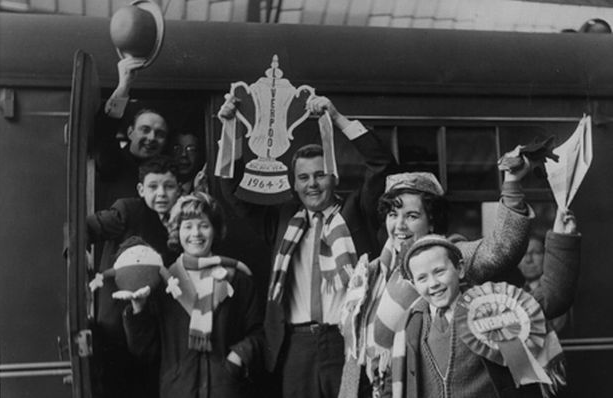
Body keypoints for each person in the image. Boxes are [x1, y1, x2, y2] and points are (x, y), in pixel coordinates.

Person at [218, 95, 395, 398]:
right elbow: (233, 191)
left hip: (348, 344)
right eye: (303, 177)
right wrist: (231, 130)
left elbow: (382, 164)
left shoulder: (356, 212)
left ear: (333, 177)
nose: (312, 184)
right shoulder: (283, 220)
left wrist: (338, 118)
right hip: (296, 347)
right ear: (294, 184)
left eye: (319, 175)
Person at [339, 165, 534, 398]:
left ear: (431, 222)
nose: (399, 225)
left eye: (411, 216)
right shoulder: (371, 271)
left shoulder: (449, 255)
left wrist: (511, 182)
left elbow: (503, 246)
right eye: (393, 214)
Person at [383, 207, 580, 398]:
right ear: (414, 284)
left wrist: (563, 239)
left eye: (439, 271)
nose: (433, 284)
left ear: (459, 269)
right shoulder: (409, 325)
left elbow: (554, 297)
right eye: (422, 278)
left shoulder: (492, 307)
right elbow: (393, 387)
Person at [122, 192, 264, 398]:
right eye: (187, 226)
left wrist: (238, 356)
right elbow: (144, 351)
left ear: (215, 230)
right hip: (179, 390)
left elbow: (258, 333)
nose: (195, 233)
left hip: (226, 390)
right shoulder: (163, 282)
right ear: (177, 231)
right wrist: (138, 308)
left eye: (204, 225)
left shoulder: (237, 279)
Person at [87, 155, 180, 398]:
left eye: (169, 186)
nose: (161, 193)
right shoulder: (128, 210)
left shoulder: (181, 223)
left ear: (179, 190)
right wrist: (76, 262)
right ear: (140, 189)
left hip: (153, 330)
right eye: (153, 186)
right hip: (115, 328)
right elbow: (86, 227)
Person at [95, 57, 170, 207]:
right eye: (145, 130)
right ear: (130, 132)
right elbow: (105, 129)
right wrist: (124, 86)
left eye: (160, 134)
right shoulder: (113, 162)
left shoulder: (167, 172)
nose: (152, 138)